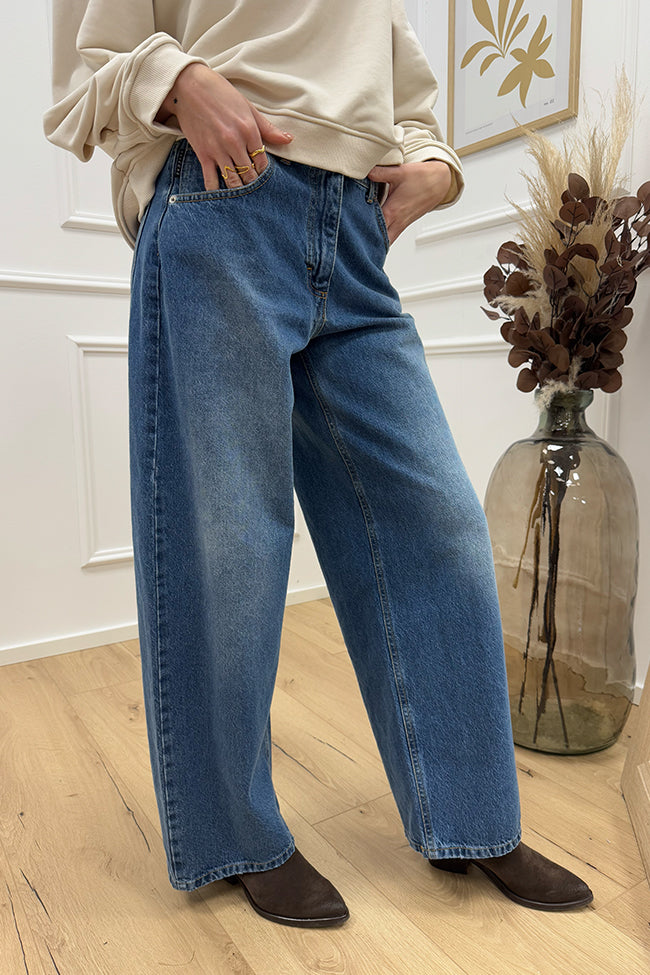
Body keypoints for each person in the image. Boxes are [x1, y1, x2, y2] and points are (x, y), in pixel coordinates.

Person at [44, 1, 593, 927]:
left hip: (355, 237)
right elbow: (85, 64)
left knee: (440, 524)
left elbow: (407, 101)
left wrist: (436, 168)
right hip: (219, 204)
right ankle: (237, 835)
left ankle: (471, 813)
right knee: (230, 543)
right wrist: (177, 81)